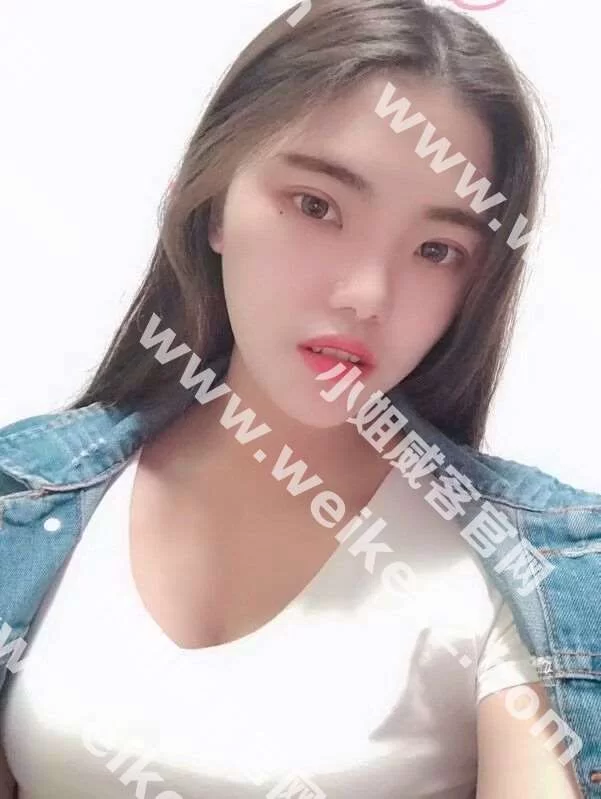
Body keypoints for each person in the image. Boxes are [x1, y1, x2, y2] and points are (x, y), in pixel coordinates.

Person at [0, 0, 596, 796]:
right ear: (212, 205)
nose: (365, 294)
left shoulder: (534, 571)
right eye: (316, 206)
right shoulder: (27, 501)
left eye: (435, 249)